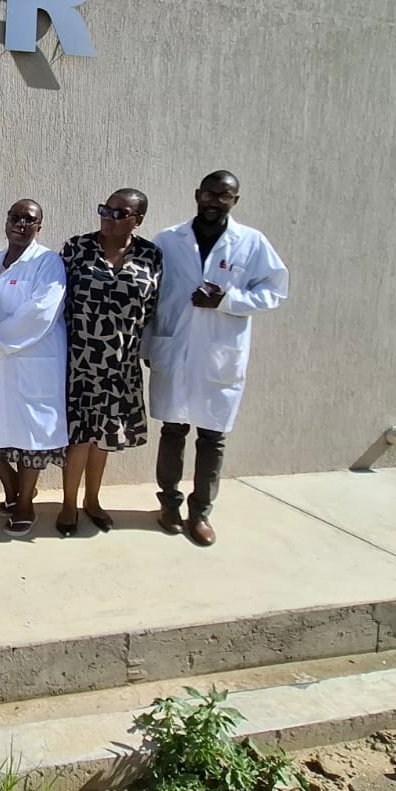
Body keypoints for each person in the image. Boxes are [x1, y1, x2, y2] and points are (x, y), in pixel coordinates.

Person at [147, 171, 288, 546]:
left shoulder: (252, 243)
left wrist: (227, 301)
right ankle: (169, 504)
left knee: (212, 436)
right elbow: (150, 296)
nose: (214, 201)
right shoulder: (168, 240)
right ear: (197, 194)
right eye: (209, 194)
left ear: (235, 201)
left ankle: (200, 513)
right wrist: (148, 347)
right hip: (175, 348)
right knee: (172, 430)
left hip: (219, 353)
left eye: (223, 196)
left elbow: (274, 290)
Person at [0, 200, 67, 536]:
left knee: (30, 437)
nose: (21, 224)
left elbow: (40, 313)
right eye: (15, 217)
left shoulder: (48, 263)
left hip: (28, 359)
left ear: (39, 226)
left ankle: (25, 505)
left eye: (29, 220)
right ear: (6, 221)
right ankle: (13, 489)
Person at [59, 189, 163, 537]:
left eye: (119, 213)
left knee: (104, 435)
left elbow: (151, 307)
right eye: (105, 209)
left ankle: (92, 500)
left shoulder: (150, 255)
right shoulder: (77, 248)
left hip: (120, 363)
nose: (108, 217)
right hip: (80, 360)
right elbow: (59, 302)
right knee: (78, 435)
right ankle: (69, 504)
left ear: (138, 220)